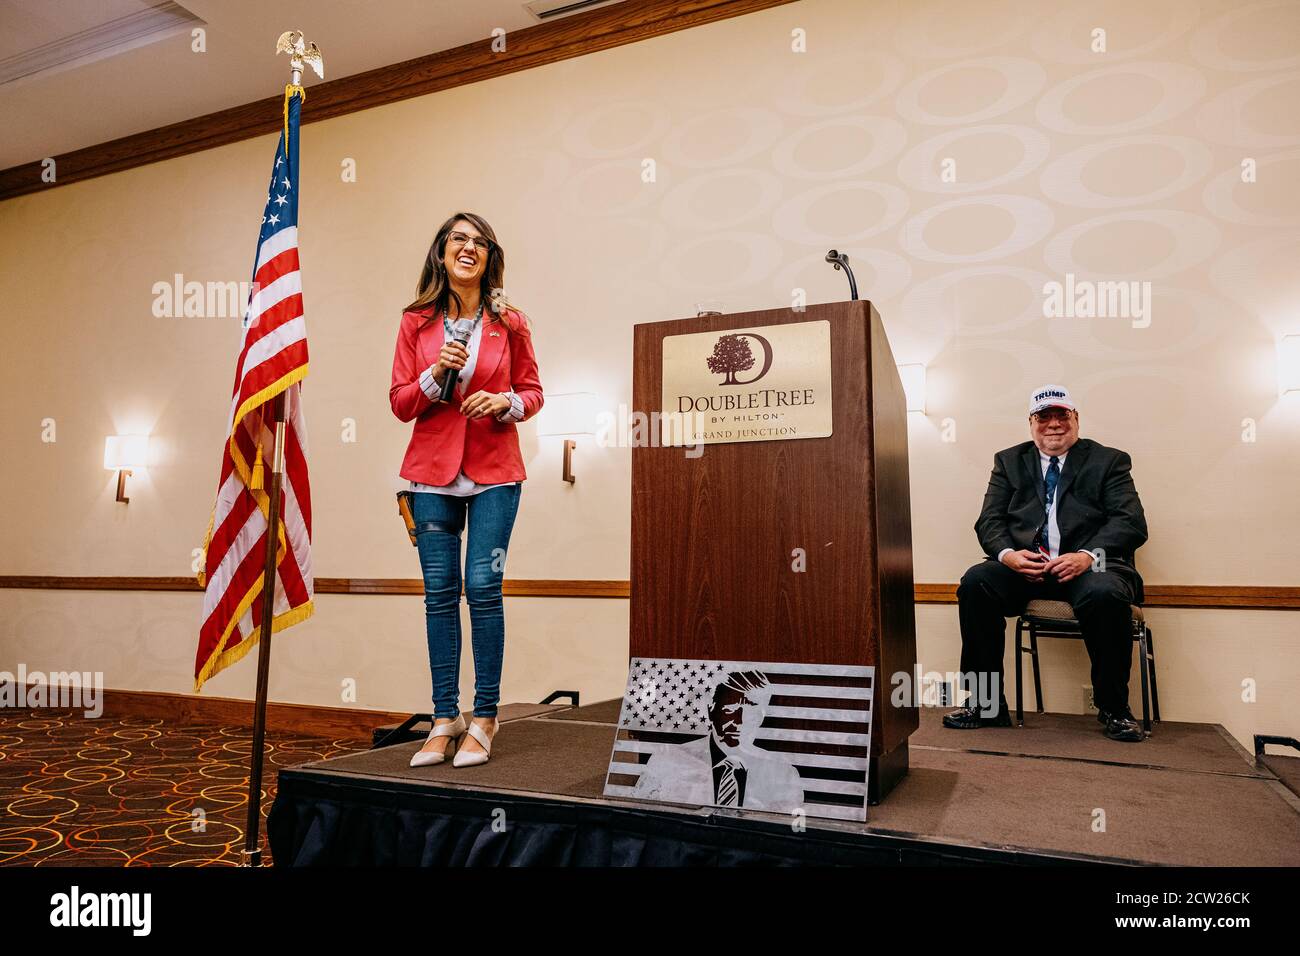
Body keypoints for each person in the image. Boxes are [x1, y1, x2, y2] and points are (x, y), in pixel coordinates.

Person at [389, 212, 543, 768]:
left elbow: (533, 391)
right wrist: (435, 374)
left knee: (482, 585)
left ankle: (485, 716)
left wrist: (506, 403)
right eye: (459, 239)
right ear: (441, 252)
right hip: (430, 474)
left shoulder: (512, 322)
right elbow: (401, 402)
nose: (468, 248)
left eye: (479, 242)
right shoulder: (415, 322)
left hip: (495, 472)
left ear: (489, 258)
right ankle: (443, 717)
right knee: (438, 595)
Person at [943, 385, 1148, 742]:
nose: (1053, 424)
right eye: (1044, 417)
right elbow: (989, 521)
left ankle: (1115, 709)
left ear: (1076, 419)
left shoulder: (1109, 461)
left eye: (1061, 415)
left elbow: (1130, 522)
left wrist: (1086, 556)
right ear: (1031, 423)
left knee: (1105, 592)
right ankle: (985, 704)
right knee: (976, 582)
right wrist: (1009, 555)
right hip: (1028, 569)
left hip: (1090, 568)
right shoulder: (1009, 461)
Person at [633, 671, 803, 810]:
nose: (739, 722)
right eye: (730, 710)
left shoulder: (782, 773)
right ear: (711, 711)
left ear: (761, 718)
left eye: (750, 713)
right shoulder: (666, 761)